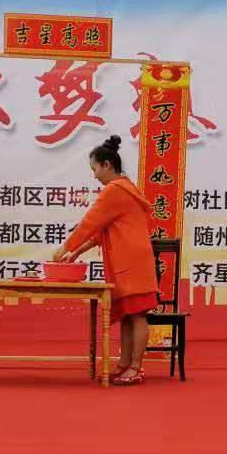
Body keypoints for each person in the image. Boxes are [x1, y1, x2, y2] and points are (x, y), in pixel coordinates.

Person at [54, 135, 158, 386]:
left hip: (131, 261)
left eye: (95, 169)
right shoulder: (125, 187)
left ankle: (136, 368)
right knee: (128, 315)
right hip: (130, 260)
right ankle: (124, 365)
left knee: (137, 316)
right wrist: (77, 252)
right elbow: (102, 231)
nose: (94, 175)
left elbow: (90, 223)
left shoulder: (114, 190)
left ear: (107, 165)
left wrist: (66, 248)